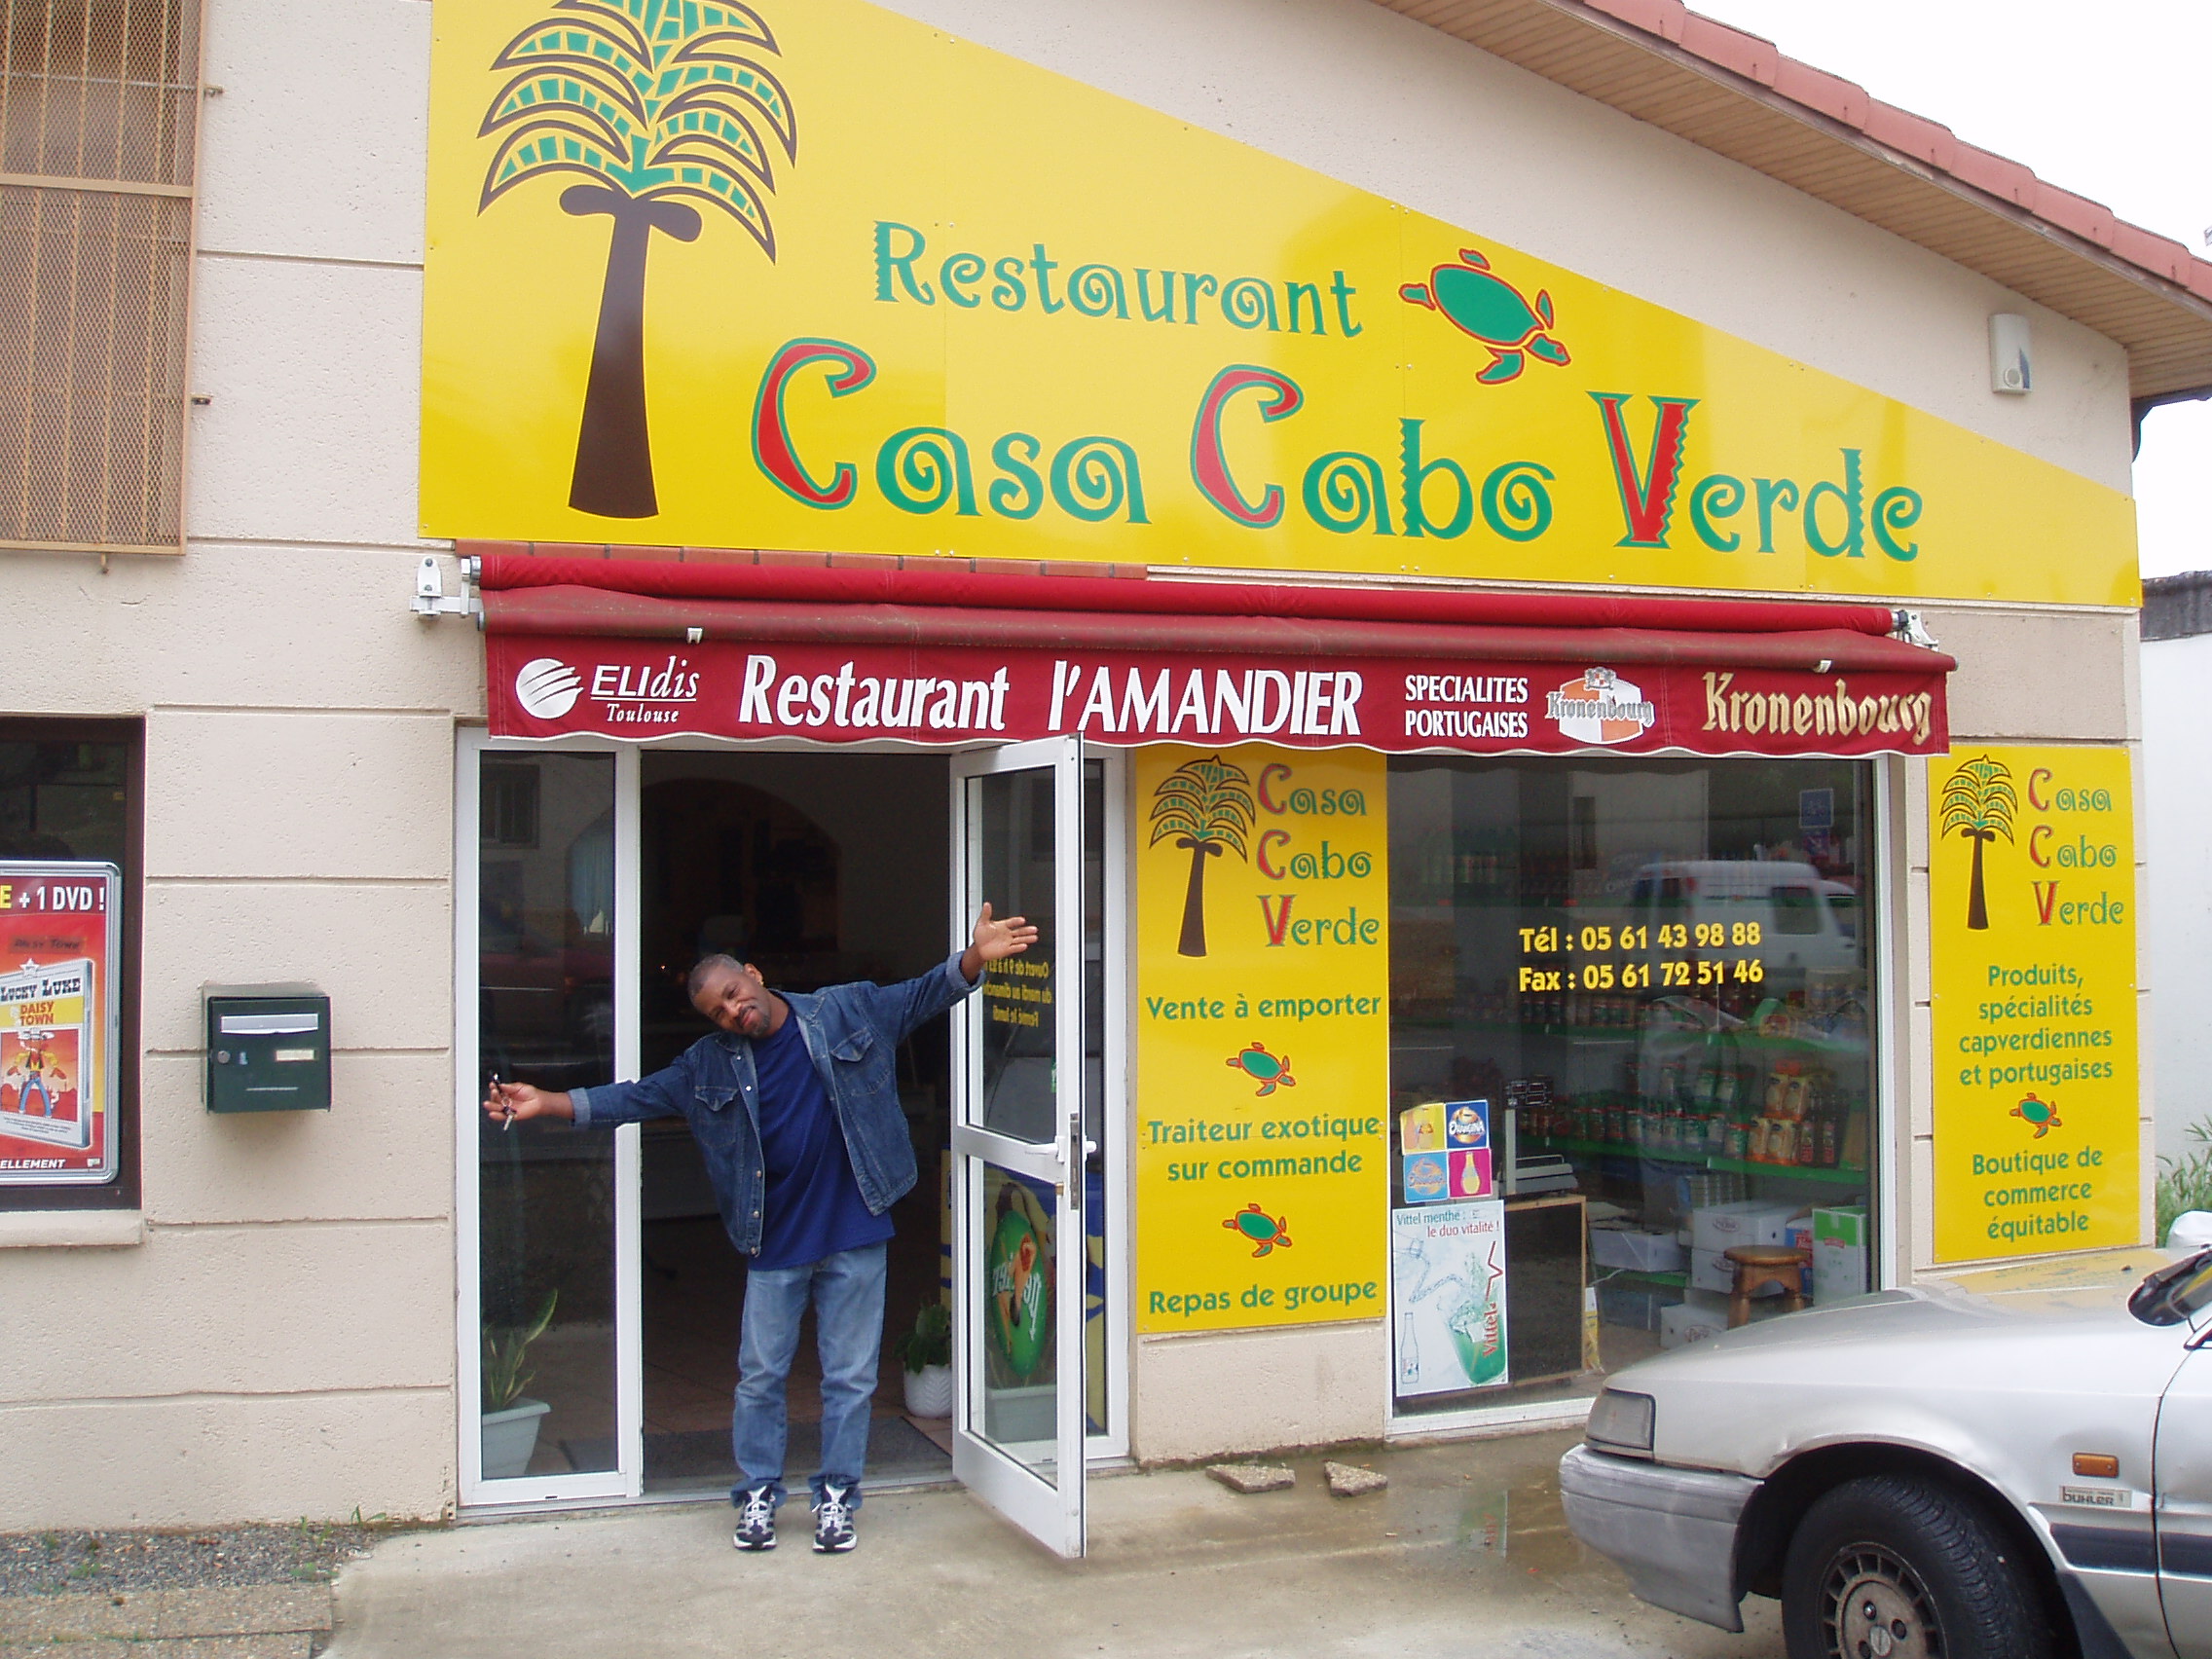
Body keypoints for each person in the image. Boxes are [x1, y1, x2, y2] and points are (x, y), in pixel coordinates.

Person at [484, 903, 1038, 1555]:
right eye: (718, 1012)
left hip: (856, 1232)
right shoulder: (708, 1065)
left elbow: (920, 996)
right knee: (760, 1379)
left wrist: (973, 958)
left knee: (850, 1378)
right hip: (774, 1243)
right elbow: (633, 1097)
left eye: (732, 994)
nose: (733, 1012)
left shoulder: (844, 1011)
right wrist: (549, 1102)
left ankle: (837, 1496)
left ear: (752, 974)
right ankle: (757, 1495)